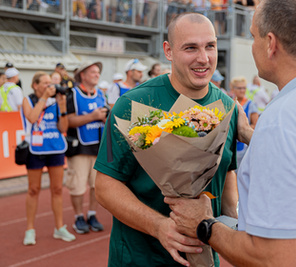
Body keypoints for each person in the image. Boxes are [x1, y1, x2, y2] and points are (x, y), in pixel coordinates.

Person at [165, 1, 296, 266]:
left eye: (253, 36)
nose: (252, 44)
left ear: (271, 43)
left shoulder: (284, 120)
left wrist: (205, 225)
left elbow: (272, 259)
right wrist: (250, 134)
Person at [94, 13, 239, 267]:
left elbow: (228, 173)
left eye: (210, 46)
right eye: (190, 48)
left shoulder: (228, 107)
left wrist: (232, 223)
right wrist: (159, 226)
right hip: (139, 260)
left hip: (202, 259)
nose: (203, 58)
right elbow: (105, 186)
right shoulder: (133, 105)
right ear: (168, 51)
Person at [21, 72, 76, 246]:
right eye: (45, 83)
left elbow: (63, 128)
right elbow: (31, 118)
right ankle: (30, 229)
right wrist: (44, 97)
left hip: (55, 148)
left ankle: (59, 227)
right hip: (35, 149)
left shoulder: (56, 100)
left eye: (50, 83)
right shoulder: (28, 100)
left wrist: (62, 108)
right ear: (35, 85)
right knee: (33, 189)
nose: (49, 86)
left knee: (58, 189)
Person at [65, 61, 107, 234]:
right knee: (77, 185)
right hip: (79, 148)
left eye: (98, 72)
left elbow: (104, 117)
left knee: (96, 186)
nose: (97, 75)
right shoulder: (72, 94)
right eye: (93, 72)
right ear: (82, 75)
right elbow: (68, 121)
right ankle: (78, 217)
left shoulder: (101, 95)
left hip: (98, 147)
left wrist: (104, 118)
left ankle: (91, 214)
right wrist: (93, 116)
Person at [230, 76, 258, 168]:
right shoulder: (229, 102)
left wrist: (242, 129)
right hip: (231, 143)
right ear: (233, 89)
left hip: (243, 146)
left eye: (244, 88)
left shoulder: (251, 104)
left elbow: (256, 125)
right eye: (239, 88)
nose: (242, 90)